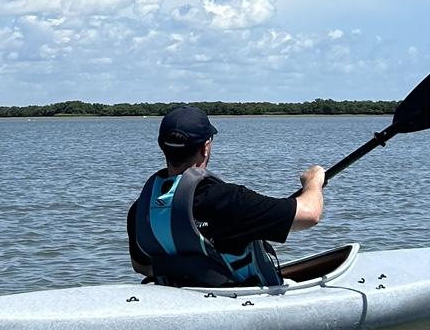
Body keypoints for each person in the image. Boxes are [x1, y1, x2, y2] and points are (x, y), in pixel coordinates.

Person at [127, 105, 325, 288]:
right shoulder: (228, 200)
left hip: (181, 299)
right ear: (205, 148)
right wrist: (313, 181)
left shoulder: (140, 209)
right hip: (235, 299)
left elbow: (142, 266)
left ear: (162, 146)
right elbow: (310, 215)